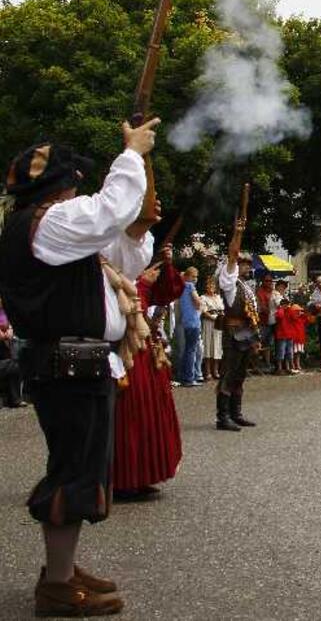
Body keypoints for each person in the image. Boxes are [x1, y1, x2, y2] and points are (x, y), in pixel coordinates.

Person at [0, 119, 159, 615]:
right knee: (73, 473)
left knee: (78, 468)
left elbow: (123, 256)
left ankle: (61, 570)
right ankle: (57, 584)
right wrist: (131, 154)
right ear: (57, 188)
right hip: (70, 367)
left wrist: (138, 226)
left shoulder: (53, 229)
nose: (78, 189)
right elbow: (108, 208)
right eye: (72, 182)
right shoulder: (46, 223)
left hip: (79, 366)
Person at [113, 246, 184, 500]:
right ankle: (123, 479)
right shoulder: (111, 272)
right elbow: (127, 309)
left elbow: (168, 293)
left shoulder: (139, 275)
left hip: (148, 357)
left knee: (150, 415)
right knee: (129, 417)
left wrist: (166, 265)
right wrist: (141, 285)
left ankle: (144, 475)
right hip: (126, 357)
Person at [215, 216, 263, 432]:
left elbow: (252, 313)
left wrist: (255, 335)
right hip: (233, 332)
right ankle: (222, 417)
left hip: (246, 331)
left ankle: (236, 413)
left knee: (240, 374)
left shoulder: (245, 286)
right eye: (243, 263)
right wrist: (238, 233)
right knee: (229, 374)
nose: (246, 266)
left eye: (247, 264)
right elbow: (232, 254)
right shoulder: (229, 282)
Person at [176, 267, 202, 386]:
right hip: (193, 321)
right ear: (187, 276)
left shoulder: (180, 287)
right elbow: (197, 302)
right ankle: (190, 377)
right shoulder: (190, 286)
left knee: (187, 350)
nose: (195, 279)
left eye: (196, 277)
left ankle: (184, 376)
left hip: (185, 321)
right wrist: (199, 304)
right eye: (193, 276)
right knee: (191, 350)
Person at [0, 295, 26, 408]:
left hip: (5, 348)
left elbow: (11, 321)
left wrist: (10, 328)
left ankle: (15, 399)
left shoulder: (6, 310)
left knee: (14, 365)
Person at [199, 275, 224, 384]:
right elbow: (204, 312)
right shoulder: (203, 297)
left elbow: (222, 309)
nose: (211, 287)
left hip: (219, 323)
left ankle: (216, 370)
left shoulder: (218, 297)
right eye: (209, 285)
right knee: (208, 345)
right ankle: (208, 371)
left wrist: (221, 317)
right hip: (209, 323)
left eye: (212, 285)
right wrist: (213, 317)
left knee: (217, 346)